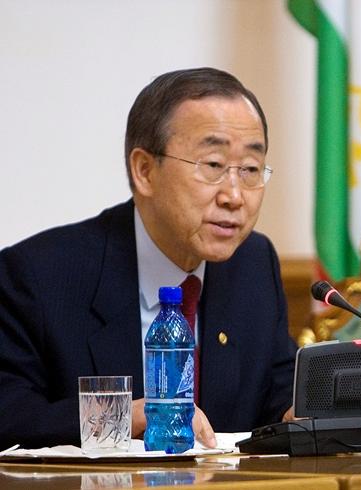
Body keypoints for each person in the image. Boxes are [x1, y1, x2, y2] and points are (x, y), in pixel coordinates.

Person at [0, 68, 297, 449]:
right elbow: (10, 413)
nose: (235, 196)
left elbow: (275, 393)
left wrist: (299, 413)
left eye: (251, 169)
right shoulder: (41, 275)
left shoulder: (253, 264)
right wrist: (126, 416)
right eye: (213, 165)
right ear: (144, 171)